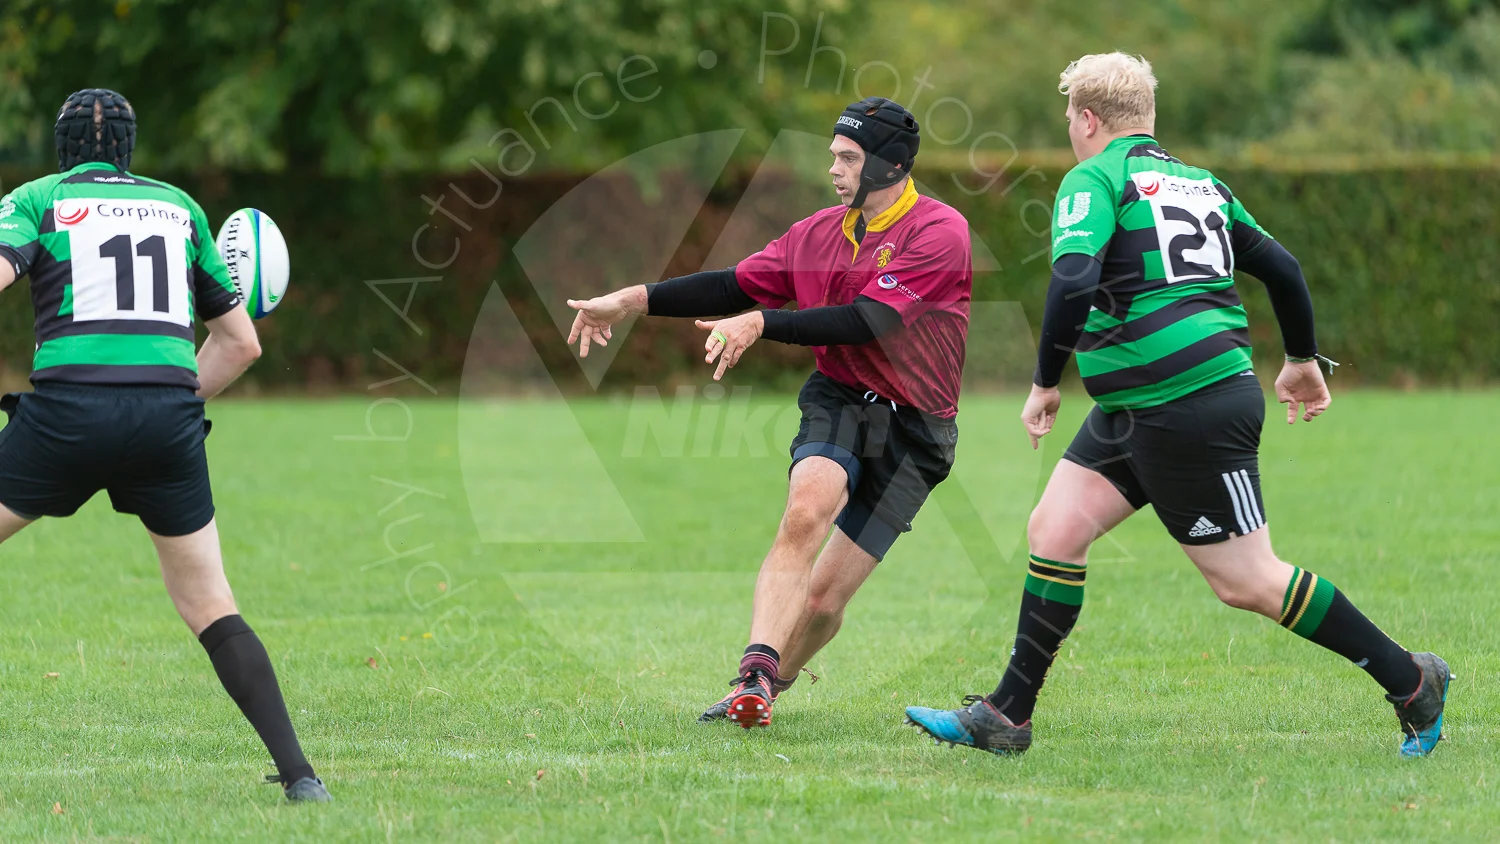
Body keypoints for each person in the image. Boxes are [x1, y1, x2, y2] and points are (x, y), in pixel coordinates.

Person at [903, 53, 1450, 757]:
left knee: (1248, 580)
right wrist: (1302, 359)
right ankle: (1006, 716)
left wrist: (1044, 383)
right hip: (1139, 407)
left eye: (1070, 117)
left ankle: (1411, 680)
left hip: (1187, 405)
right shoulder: (1201, 184)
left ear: (1088, 118)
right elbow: (1282, 267)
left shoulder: (1096, 178)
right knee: (1056, 529)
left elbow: (1072, 279)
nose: (1070, 130)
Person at [566, 97, 972, 728]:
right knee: (807, 507)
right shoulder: (818, 232)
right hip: (839, 399)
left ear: (890, 165)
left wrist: (763, 323)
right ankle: (753, 671)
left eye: (847, 157)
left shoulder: (938, 232)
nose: (833, 169)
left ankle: (763, 691)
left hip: (917, 430)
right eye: (832, 155)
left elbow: (870, 319)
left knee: (825, 601)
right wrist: (630, 301)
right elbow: (735, 284)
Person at [0, 89, 330, 801]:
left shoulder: (37, 199)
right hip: (167, 419)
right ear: (129, 149)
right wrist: (163, 412)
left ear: (62, 149)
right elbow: (240, 345)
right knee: (210, 603)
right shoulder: (178, 207)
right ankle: (302, 778)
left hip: (67, 413)